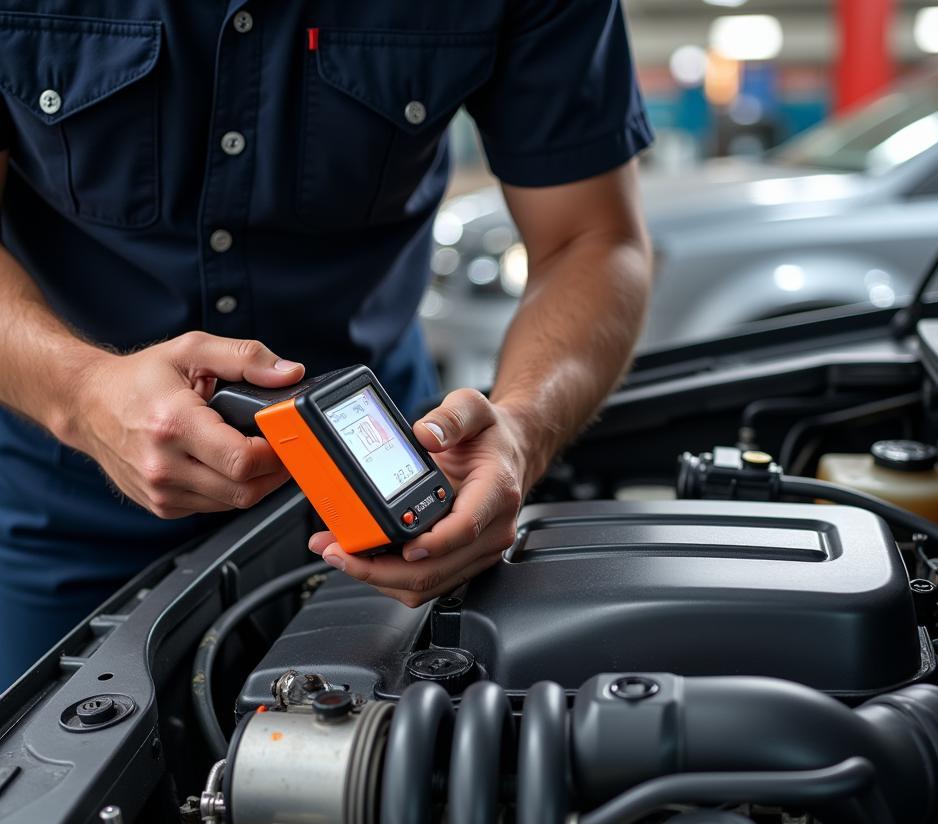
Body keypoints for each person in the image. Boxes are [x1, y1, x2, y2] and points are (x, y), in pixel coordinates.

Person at [0, 2, 653, 686]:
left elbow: (593, 239)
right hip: (64, 506)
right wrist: (80, 392)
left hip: (383, 486)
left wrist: (521, 431)